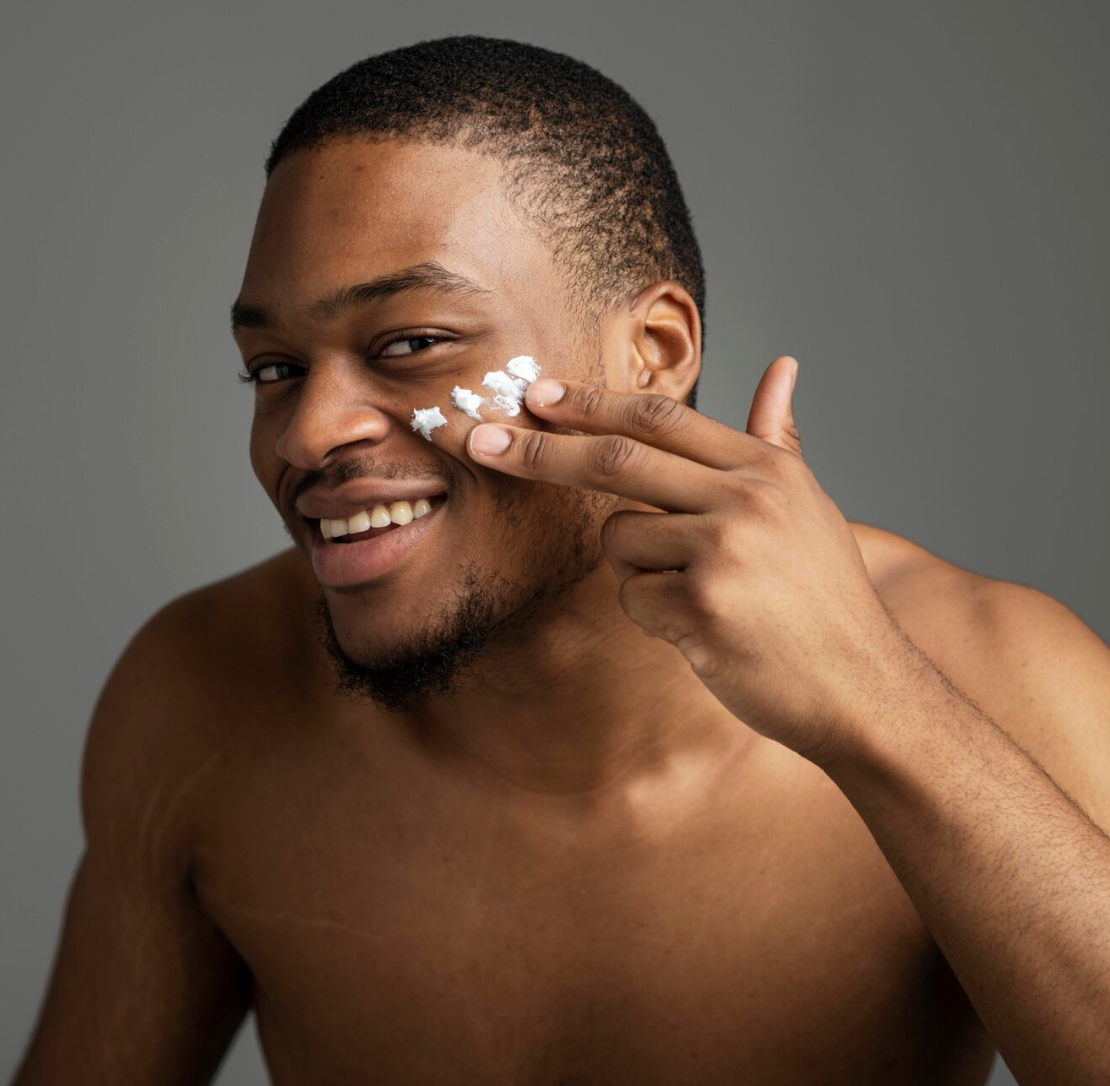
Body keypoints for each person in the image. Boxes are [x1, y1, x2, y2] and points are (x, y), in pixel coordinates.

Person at [12, 35, 1110, 1086]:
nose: (306, 435)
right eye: (274, 369)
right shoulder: (204, 699)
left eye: (410, 344)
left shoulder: (997, 676)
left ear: (655, 355)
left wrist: (878, 703)